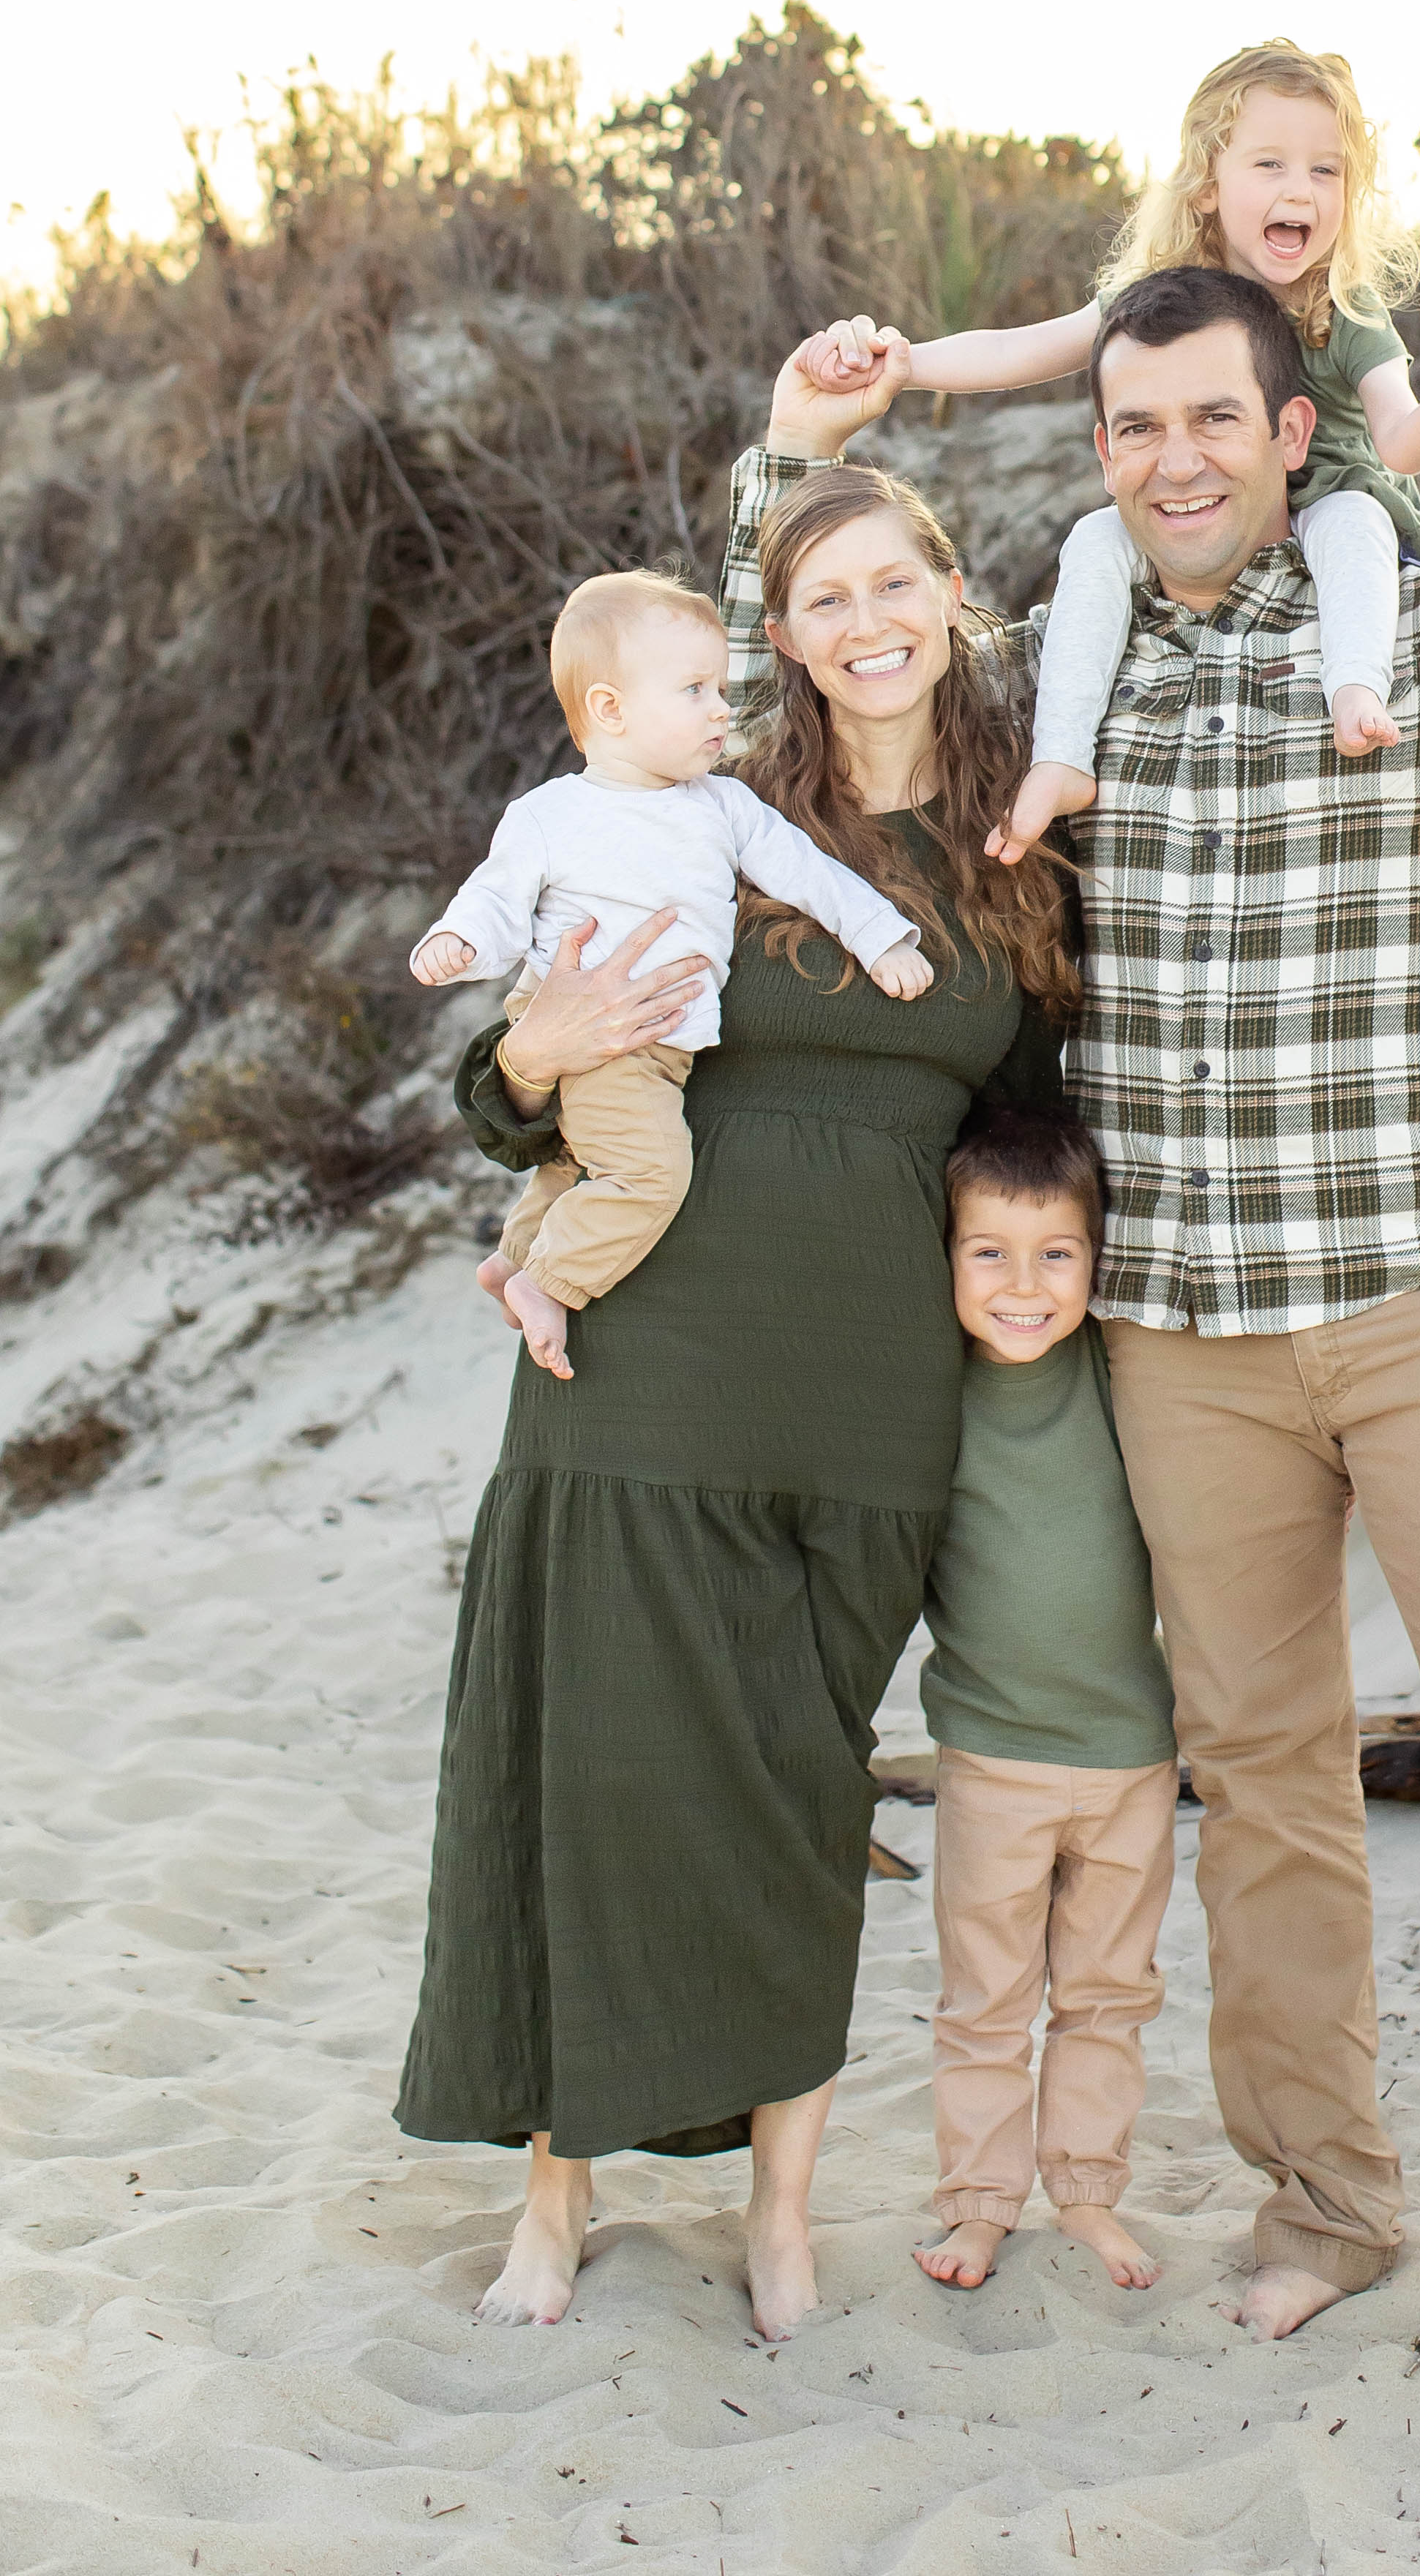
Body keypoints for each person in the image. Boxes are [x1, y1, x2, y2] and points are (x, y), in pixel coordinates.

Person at [724, 269, 1420, 2408]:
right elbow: (816, 645)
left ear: (1291, 434)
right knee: (1273, 1790)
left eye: (1214, 420)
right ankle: (1324, 2198)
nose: (1177, 460)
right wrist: (790, 443)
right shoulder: (1055, 693)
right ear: (1101, 453)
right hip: (1182, 1329)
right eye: (1134, 430)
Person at [394, 469, 1075, 2346]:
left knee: (795, 1789)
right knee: (593, 1770)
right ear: (777, 637)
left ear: (949, 591)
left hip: (873, 1392)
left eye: (895, 581)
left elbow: (1036, 1127)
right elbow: (514, 1070)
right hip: (643, 1374)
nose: (867, 621)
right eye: (821, 595)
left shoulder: (1023, 847)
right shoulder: (699, 799)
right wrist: (525, 1060)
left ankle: (782, 2208)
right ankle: (557, 2189)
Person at [797, 40, 1420, 849]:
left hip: (1334, 506)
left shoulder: (1343, 308)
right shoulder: (1159, 301)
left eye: (1326, 171)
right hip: (1205, 525)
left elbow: (1400, 445)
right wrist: (909, 363)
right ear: (1208, 187)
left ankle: (1356, 688)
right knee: (1095, 539)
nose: (1300, 191)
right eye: (1270, 165)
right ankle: (1063, 756)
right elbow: (1021, 350)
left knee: (1352, 519)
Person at [408, 567, 933, 1378]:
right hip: (604, 1036)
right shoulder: (553, 814)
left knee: (579, 1166)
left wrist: (879, 939)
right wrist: (460, 942)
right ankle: (552, 1283)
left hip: (659, 1045)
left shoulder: (721, 806)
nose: (722, 708)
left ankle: (515, 1261)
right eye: (694, 689)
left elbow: (809, 872)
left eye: (720, 687)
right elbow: (496, 898)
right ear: (610, 710)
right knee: (650, 1175)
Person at [910, 1105, 1178, 2299]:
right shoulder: (921, 1393)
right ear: (944, 1256)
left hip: (1130, 1752)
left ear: (1095, 1256)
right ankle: (976, 2203)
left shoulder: (1125, 1373)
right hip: (990, 1757)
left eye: (1054, 1253)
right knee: (985, 2000)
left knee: (1108, 1995)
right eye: (989, 1252)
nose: (1023, 1284)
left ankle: (1085, 2193)